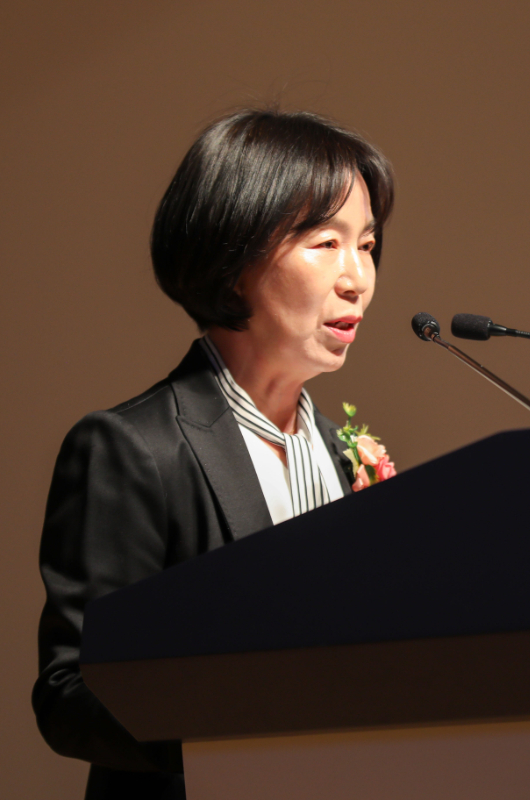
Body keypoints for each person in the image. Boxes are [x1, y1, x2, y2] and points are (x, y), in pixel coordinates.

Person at [32, 109, 395, 800]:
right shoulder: (134, 449)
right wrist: (251, 726)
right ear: (233, 263)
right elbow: (70, 693)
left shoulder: (348, 455)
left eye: (368, 245)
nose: (357, 278)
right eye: (327, 242)